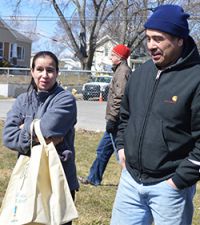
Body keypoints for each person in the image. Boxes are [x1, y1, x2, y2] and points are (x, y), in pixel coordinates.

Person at [110, 4, 200, 225]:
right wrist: (122, 148)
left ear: (180, 39)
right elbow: (125, 117)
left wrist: (179, 180)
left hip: (169, 187)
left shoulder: (195, 79)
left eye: (158, 39)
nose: (151, 45)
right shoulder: (140, 74)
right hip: (130, 181)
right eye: (148, 38)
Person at [3, 51, 79, 225]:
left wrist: (25, 127)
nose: (45, 75)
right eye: (39, 69)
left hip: (57, 180)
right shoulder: (22, 100)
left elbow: (47, 128)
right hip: (28, 179)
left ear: (57, 73)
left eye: (50, 70)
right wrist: (39, 134)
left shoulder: (65, 100)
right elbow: (8, 136)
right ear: (32, 72)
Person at [79, 44, 132, 186]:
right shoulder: (119, 70)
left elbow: (119, 98)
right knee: (102, 150)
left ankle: (130, 183)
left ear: (120, 57)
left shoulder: (122, 72)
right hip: (114, 120)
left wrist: (113, 119)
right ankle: (93, 178)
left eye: (113, 55)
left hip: (118, 121)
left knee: (121, 153)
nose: (110, 57)